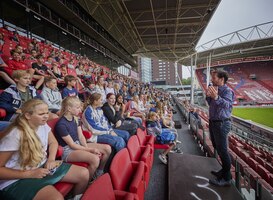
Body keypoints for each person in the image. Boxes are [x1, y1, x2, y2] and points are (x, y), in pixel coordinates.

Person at [0, 99, 89, 200]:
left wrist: (51, 159)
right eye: (41, 114)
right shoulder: (15, 134)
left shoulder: (43, 124)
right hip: (17, 179)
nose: (46, 116)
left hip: (42, 166)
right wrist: (30, 174)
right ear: (28, 116)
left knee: (84, 174)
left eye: (47, 112)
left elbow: (53, 142)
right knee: (56, 198)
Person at [54, 96, 111, 180]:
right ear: (69, 108)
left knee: (107, 148)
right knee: (95, 159)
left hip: (78, 144)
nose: (80, 110)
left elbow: (81, 136)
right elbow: (72, 145)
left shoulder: (76, 119)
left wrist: (86, 147)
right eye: (77, 107)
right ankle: (88, 182)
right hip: (68, 151)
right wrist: (90, 150)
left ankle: (98, 172)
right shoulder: (61, 124)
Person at [206, 69, 234, 186]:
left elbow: (228, 106)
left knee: (223, 150)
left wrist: (216, 97)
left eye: (214, 78)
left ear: (221, 79)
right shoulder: (214, 88)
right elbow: (211, 103)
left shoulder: (228, 91)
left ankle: (227, 178)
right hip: (214, 122)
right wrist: (209, 96)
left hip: (222, 123)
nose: (212, 80)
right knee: (217, 148)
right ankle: (224, 171)